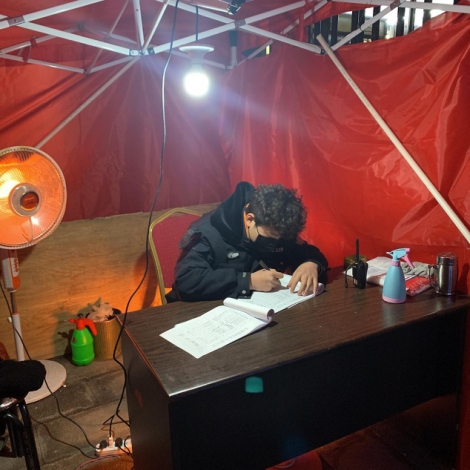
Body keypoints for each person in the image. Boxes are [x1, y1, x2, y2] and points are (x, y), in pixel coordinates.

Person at [167, 182, 328, 302]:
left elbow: (308, 252)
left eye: (280, 239)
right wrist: (248, 281)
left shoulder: (278, 227)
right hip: (202, 313)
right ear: (250, 219)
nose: (275, 243)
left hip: (264, 310)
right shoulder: (209, 231)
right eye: (270, 238)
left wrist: (311, 264)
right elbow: (186, 281)